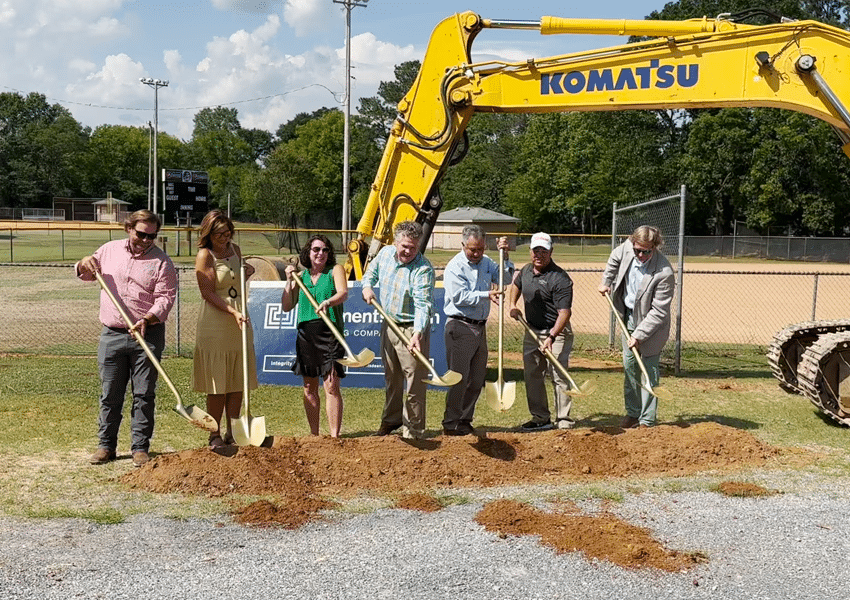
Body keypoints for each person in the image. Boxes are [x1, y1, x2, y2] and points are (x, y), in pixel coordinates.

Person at [76, 210, 177, 467]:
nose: (146, 240)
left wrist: (148, 319)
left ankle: (140, 448)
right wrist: (84, 262)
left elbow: (166, 298)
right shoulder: (108, 251)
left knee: (144, 394)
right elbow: (86, 272)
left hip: (147, 335)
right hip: (112, 334)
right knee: (110, 393)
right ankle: (106, 446)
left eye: (152, 236)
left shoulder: (162, 262)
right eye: (141, 234)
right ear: (129, 229)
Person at [362, 221, 435, 440]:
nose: (408, 251)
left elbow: (423, 305)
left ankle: (413, 430)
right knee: (391, 377)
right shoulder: (384, 254)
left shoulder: (423, 269)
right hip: (389, 324)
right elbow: (370, 273)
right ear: (395, 242)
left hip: (412, 328)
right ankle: (391, 420)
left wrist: (417, 333)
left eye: (413, 247)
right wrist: (367, 286)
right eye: (404, 246)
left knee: (414, 382)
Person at [192, 209, 258, 449]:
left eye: (227, 232)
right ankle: (214, 434)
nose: (224, 238)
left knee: (237, 379)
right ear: (208, 234)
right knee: (217, 383)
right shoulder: (205, 255)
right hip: (216, 322)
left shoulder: (235, 250)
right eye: (219, 234)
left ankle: (233, 431)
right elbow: (208, 293)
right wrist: (232, 312)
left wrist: (246, 272)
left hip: (240, 320)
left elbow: (234, 283)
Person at [598, 225, 675, 428]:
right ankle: (632, 413)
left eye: (646, 252)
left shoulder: (664, 272)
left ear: (655, 247)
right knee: (630, 366)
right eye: (638, 250)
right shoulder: (627, 248)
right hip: (629, 316)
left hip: (652, 325)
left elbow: (659, 312)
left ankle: (647, 420)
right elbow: (614, 260)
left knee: (649, 369)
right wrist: (606, 281)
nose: (641, 255)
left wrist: (639, 335)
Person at [442, 225, 513, 436]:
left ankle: (465, 420)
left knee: (476, 379)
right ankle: (451, 423)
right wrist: (485, 295)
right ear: (463, 245)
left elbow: (506, 279)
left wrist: (505, 256)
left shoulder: (487, 262)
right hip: (460, 326)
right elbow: (459, 297)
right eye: (473, 249)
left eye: (480, 249)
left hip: (479, 327)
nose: (476, 254)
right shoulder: (455, 266)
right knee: (459, 379)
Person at [282, 235, 348, 437]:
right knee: (309, 387)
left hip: (330, 332)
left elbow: (343, 293)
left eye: (325, 250)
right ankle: (314, 436)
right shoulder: (301, 276)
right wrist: (289, 281)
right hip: (306, 334)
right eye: (316, 249)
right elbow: (286, 306)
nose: (321, 253)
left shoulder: (335, 270)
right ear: (308, 252)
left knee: (331, 385)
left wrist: (328, 302)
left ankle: (334, 436)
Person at [508, 232, 575, 431]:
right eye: (536, 250)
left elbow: (565, 313)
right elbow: (516, 285)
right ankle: (540, 418)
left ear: (551, 252)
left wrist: (552, 336)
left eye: (544, 251)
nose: (539, 254)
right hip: (532, 330)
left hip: (557, 331)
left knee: (558, 375)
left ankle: (563, 420)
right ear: (530, 251)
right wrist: (512, 304)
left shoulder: (560, 278)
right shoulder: (526, 271)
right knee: (532, 374)